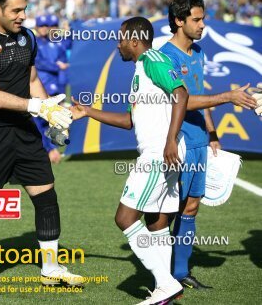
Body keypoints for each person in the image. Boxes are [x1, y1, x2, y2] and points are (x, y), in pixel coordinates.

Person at [0, 0, 82, 299]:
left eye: (25, 9)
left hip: (26, 132)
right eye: (16, 10)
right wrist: (35, 106)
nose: (23, 16)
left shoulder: (27, 37)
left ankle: (51, 268)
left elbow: (31, 79)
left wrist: (51, 114)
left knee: (46, 196)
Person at [71, 17, 189, 304]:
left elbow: (181, 93)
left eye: (121, 38)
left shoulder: (152, 59)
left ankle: (166, 284)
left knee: (124, 218)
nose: (118, 43)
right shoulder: (140, 69)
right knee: (158, 222)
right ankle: (165, 288)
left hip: (160, 153)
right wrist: (88, 111)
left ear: (135, 41)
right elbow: (128, 121)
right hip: (164, 152)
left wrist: (170, 140)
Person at [159, 0, 258, 290]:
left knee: (191, 208)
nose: (203, 25)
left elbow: (200, 97)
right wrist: (229, 96)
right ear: (179, 21)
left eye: (203, 19)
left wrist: (212, 134)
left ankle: (181, 272)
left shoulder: (199, 52)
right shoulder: (165, 56)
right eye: (197, 20)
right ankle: (161, 273)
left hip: (200, 142)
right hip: (178, 143)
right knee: (167, 209)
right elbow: (182, 101)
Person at [34, 14, 70, 163]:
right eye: (41, 26)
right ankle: (49, 149)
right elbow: (38, 62)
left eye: (47, 26)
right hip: (40, 85)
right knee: (39, 119)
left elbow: (64, 57)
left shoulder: (56, 42)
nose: (45, 29)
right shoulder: (34, 43)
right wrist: (56, 65)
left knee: (53, 120)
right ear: (36, 28)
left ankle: (52, 148)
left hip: (55, 84)